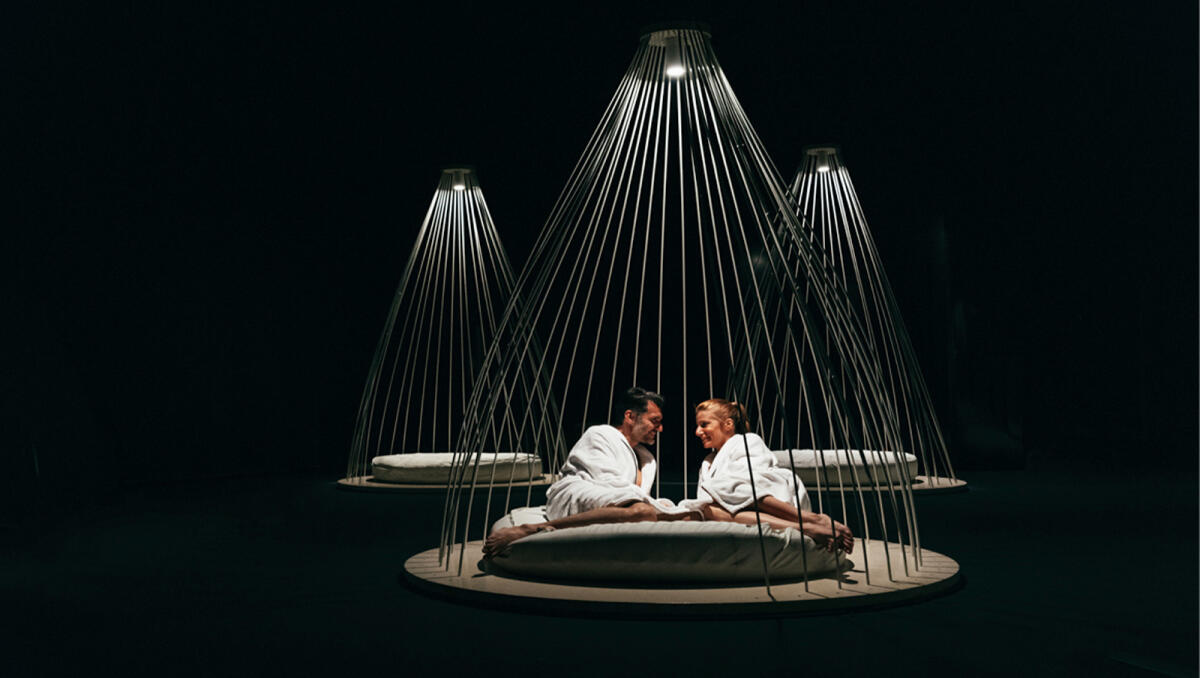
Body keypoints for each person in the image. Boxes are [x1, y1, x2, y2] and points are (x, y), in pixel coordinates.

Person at [482, 387, 699, 557]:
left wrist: (659, 506)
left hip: (614, 501)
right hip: (577, 490)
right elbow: (606, 481)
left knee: (691, 515)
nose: (660, 429)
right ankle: (532, 528)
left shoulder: (645, 457)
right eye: (655, 421)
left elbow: (630, 494)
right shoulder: (600, 434)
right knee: (642, 512)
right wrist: (653, 506)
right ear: (630, 416)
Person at [681, 398, 854, 553]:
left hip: (766, 499)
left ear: (728, 424)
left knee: (728, 486)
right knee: (705, 508)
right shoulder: (708, 462)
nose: (697, 432)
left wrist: (719, 490)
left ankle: (812, 519)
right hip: (736, 509)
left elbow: (754, 480)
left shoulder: (747, 440)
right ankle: (805, 528)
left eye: (704, 424)